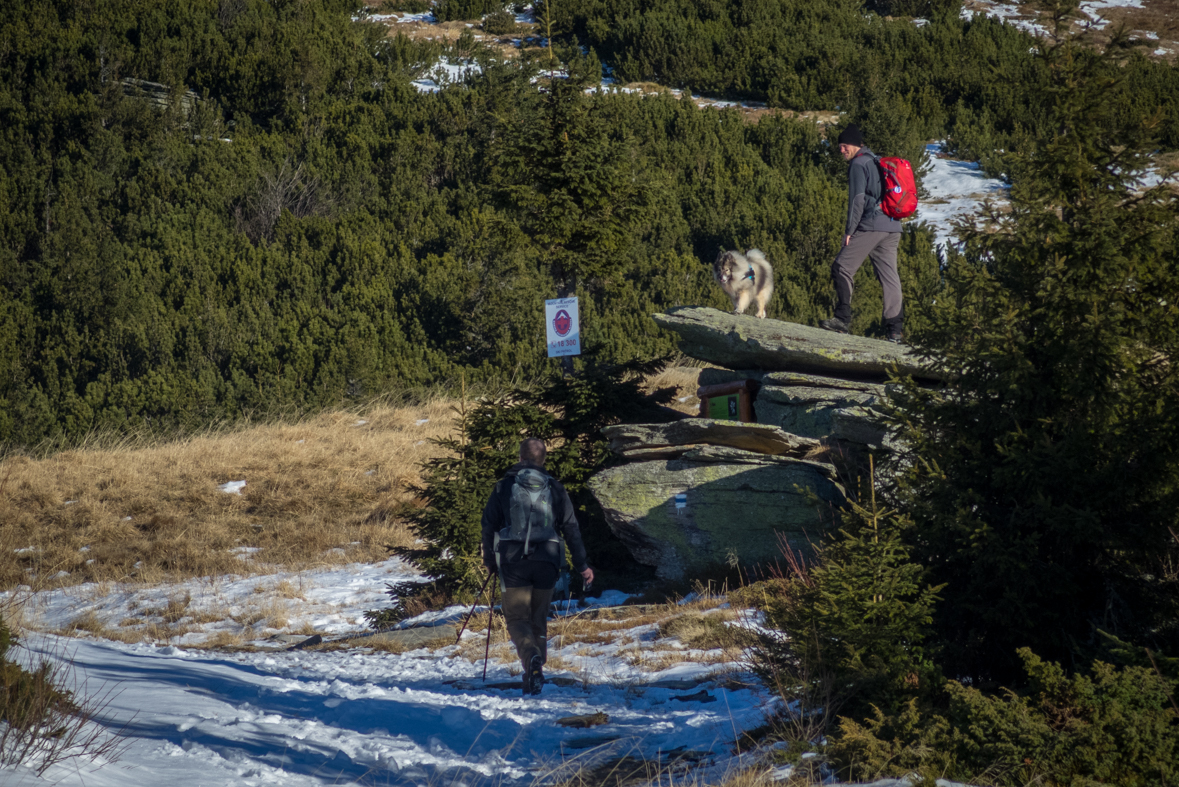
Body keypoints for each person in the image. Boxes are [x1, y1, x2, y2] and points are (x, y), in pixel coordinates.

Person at [481, 438, 594, 697]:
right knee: (538, 618)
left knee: (517, 618)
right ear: (544, 459)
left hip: (514, 561)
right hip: (548, 560)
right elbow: (571, 528)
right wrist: (582, 565)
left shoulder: (504, 487)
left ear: (520, 458)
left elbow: (488, 526)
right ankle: (536, 671)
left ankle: (530, 658)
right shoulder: (555, 488)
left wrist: (489, 561)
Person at [819, 124, 905, 343]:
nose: (841, 150)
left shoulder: (858, 164)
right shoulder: (876, 161)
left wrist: (850, 231)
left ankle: (842, 319)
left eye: (844, 146)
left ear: (855, 145)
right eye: (840, 146)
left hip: (873, 225)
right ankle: (895, 330)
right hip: (893, 226)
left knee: (841, 266)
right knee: (890, 277)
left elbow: (857, 200)